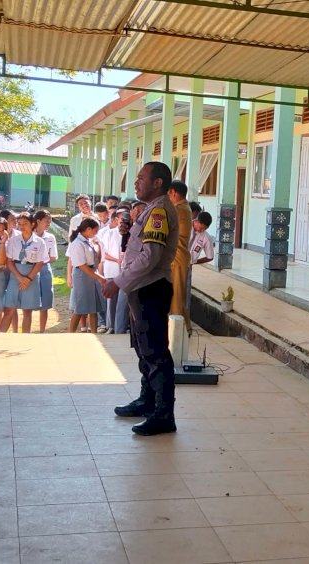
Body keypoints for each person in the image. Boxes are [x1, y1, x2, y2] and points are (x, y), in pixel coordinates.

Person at [104, 161, 179, 436]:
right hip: (141, 288)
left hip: (151, 288)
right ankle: (147, 400)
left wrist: (118, 282)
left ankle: (163, 414)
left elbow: (151, 257)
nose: (135, 182)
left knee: (156, 353)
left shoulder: (158, 211)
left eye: (141, 178)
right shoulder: (148, 210)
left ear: (158, 182)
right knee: (142, 348)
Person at [0, 212, 47, 333]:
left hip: (31, 275)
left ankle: (25, 336)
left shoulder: (40, 242)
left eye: (25, 223)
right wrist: (20, 277)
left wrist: (29, 279)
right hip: (15, 274)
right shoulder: (13, 240)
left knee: (27, 310)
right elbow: (9, 261)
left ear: (32, 224)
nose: (21, 226)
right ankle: (0, 336)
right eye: (19, 224)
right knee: (9, 308)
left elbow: (40, 262)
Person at [67, 217, 106, 333]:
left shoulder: (89, 241)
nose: (96, 234)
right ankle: (70, 334)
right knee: (80, 308)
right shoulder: (77, 243)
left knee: (93, 307)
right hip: (82, 275)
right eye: (95, 231)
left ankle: (94, 333)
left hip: (92, 273)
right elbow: (82, 266)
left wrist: (98, 246)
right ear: (88, 229)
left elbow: (96, 260)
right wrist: (99, 277)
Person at [168, 181, 193, 331]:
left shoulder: (179, 209)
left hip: (177, 257)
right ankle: (184, 327)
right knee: (176, 295)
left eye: (168, 194)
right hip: (177, 257)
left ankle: (179, 329)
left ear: (173, 192)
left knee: (176, 295)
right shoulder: (183, 207)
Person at [99, 210, 123, 333]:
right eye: (121, 219)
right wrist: (117, 260)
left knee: (123, 301)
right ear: (115, 220)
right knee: (111, 299)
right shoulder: (109, 234)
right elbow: (103, 252)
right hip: (112, 270)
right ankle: (111, 325)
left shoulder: (131, 234)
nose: (124, 222)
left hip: (125, 273)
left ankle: (122, 326)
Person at [35, 210, 58, 333]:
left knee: (45, 300)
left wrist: (41, 261)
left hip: (44, 269)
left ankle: (42, 330)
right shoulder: (29, 235)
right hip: (30, 268)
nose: (49, 223)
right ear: (38, 221)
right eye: (46, 221)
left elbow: (53, 257)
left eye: (50, 221)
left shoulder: (50, 237)